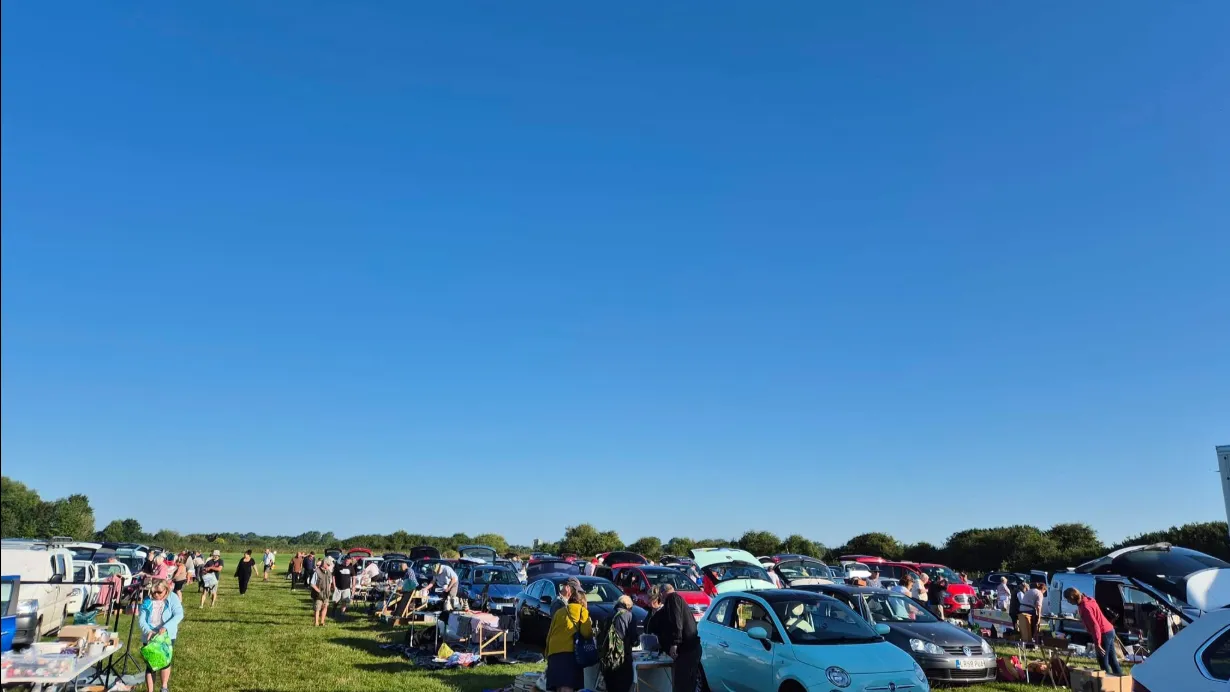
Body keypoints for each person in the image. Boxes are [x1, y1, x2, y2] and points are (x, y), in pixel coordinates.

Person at [544, 577, 592, 692]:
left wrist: (547, 652)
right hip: (569, 654)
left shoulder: (560, 611)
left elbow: (550, 632)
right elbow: (586, 633)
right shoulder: (582, 611)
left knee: (559, 687)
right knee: (567, 687)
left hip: (554, 653)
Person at [138, 580, 184, 692]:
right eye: (153, 592)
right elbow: (141, 618)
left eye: (159, 592)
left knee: (165, 662)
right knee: (150, 665)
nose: (156, 595)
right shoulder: (148, 600)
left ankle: (164, 687)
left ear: (166, 590)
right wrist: (148, 631)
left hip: (167, 635)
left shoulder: (172, 598)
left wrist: (166, 627)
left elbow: (179, 614)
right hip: (150, 635)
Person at [1065, 588, 1121, 675]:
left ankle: (1107, 682)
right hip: (1109, 630)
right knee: (1112, 659)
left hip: (1103, 633)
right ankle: (1120, 679)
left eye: (1068, 599)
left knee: (1103, 661)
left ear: (1072, 598)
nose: (1068, 602)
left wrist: (1097, 644)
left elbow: (1095, 627)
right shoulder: (1089, 600)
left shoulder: (1085, 608)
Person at [658, 583, 701, 692]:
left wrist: (675, 643)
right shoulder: (678, 599)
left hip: (687, 649)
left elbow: (677, 622)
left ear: (662, 593)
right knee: (688, 684)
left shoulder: (673, 599)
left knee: (682, 684)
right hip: (692, 647)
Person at [599, 595, 637, 692]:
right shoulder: (630, 616)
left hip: (608, 661)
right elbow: (634, 640)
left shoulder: (608, 615)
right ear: (628, 606)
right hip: (623, 660)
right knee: (624, 686)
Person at [310, 557, 336, 626]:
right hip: (318, 594)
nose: (328, 566)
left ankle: (322, 622)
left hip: (326, 594)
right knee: (317, 608)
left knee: (325, 607)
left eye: (329, 565)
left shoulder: (329, 572)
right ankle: (316, 622)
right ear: (324, 563)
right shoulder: (317, 572)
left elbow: (330, 582)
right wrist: (318, 591)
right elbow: (312, 584)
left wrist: (329, 590)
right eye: (327, 564)